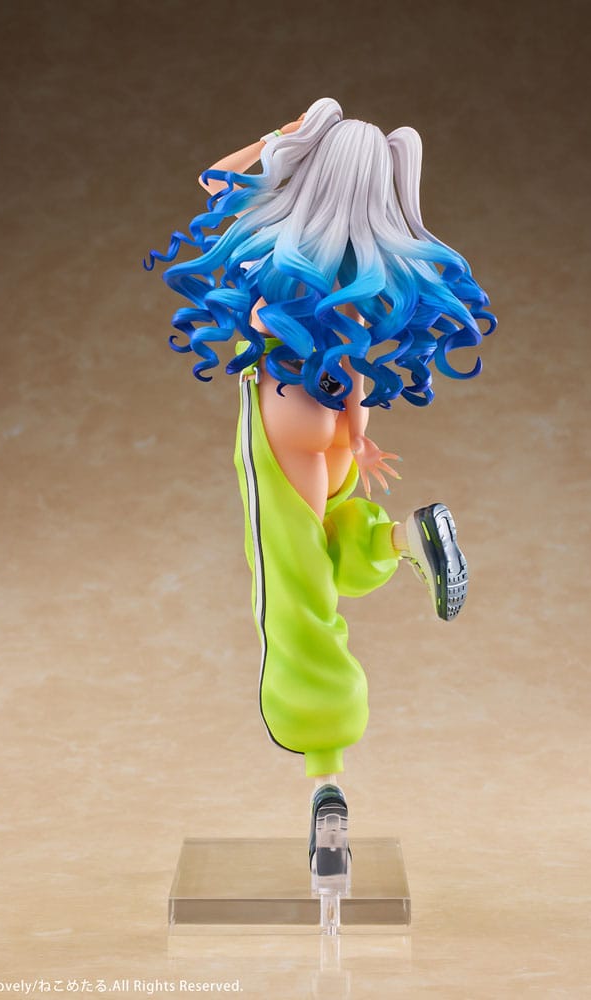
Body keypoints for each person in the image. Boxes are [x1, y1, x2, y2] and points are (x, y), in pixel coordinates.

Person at [145, 97, 496, 891]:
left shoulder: (275, 239)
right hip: (340, 420)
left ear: (313, 168)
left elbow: (214, 180)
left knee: (294, 591)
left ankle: (324, 774)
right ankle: (403, 538)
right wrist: (356, 438)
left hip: (285, 426)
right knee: (339, 550)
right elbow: (353, 365)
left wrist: (284, 135)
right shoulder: (370, 261)